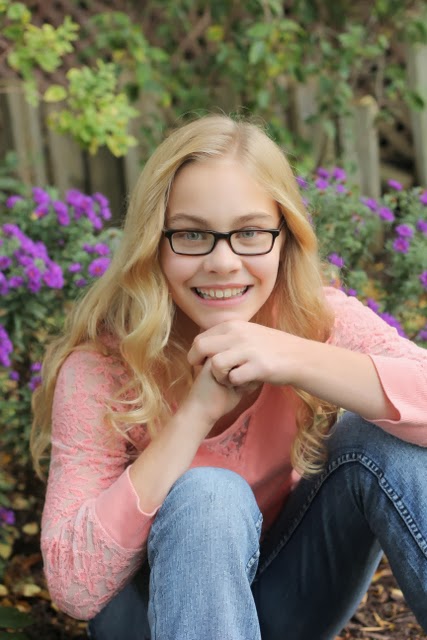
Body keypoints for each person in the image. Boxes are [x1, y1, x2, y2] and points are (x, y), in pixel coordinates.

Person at [31, 115, 427, 640]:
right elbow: (75, 589)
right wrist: (195, 415)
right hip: (150, 618)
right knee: (208, 495)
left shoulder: (313, 320)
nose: (223, 261)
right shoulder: (102, 369)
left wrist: (292, 355)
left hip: (286, 597)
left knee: (385, 436)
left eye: (250, 233)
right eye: (192, 234)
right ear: (154, 242)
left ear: (285, 238)